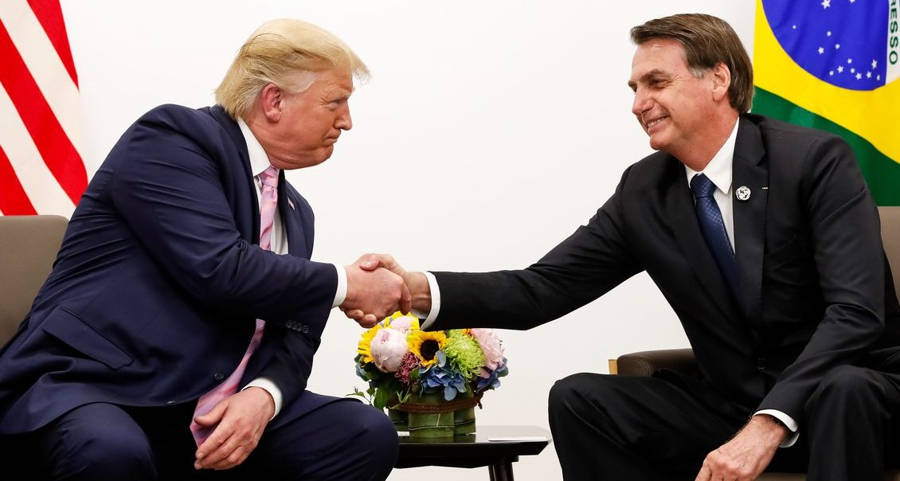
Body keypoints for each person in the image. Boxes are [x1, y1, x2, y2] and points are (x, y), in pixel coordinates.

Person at [349, 13, 900, 481]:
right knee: (581, 399)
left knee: (845, 390)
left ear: (719, 79)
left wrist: (769, 421)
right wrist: (414, 290)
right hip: (734, 405)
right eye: (634, 89)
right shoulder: (646, 191)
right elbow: (542, 289)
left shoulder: (814, 161)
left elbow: (857, 313)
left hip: (849, 398)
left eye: (655, 83)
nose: (639, 104)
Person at [0, 19, 406, 480]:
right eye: (335, 102)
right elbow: (220, 268)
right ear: (274, 100)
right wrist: (348, 284)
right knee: (110, 449)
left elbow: (297, 330)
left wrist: (263, 396)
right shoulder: (173, 140)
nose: (346, 121)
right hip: (103, 387)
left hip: (210, 410)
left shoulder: (296, 212)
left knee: (363, 434)